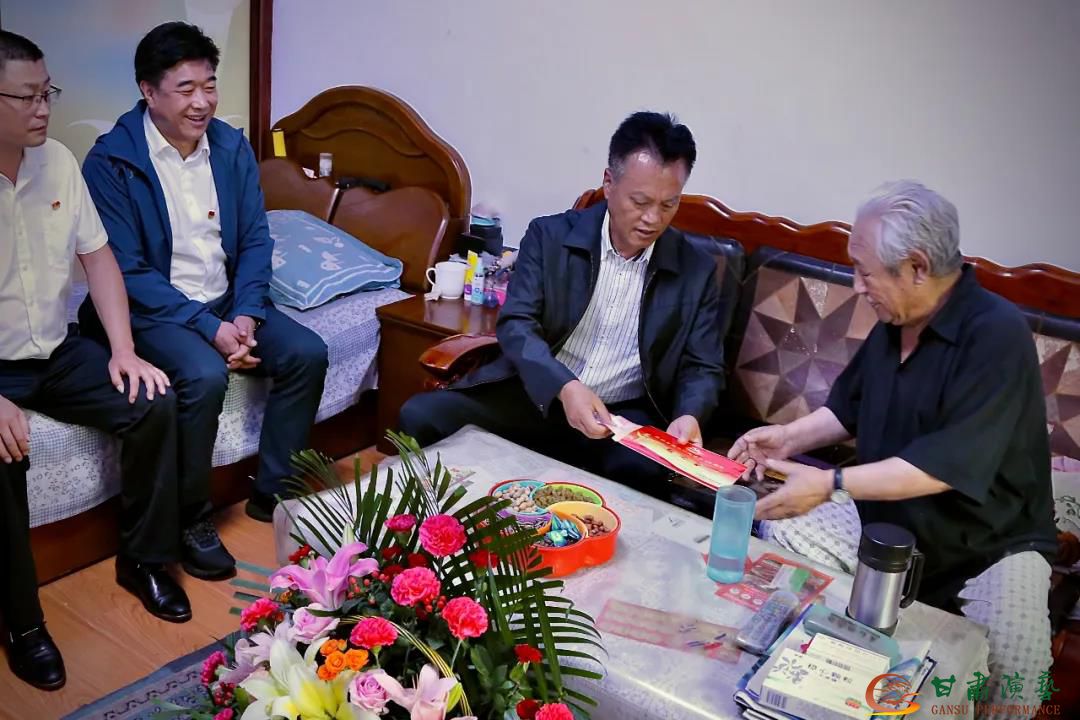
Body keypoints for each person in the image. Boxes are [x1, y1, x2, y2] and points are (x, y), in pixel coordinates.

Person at [728, 181, 1056, 718]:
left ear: (917, 267)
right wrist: (787, 438)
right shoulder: (896, 317)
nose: (857, 286)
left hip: (989, 544)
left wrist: (829, 483)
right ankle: (807, 690)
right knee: (780, 529)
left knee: (1018, 671)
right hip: (888, 522)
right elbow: (849, 409)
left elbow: (942, 466)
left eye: (865, 272)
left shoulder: (996, 335)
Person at [80, 22, 328, 557]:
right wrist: (207, 327)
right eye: (186, 89)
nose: (202, 102)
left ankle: (274, 494)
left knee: (307, 352)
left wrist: (247, 313)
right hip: (151, 308)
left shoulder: (230, 146)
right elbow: (125, 268)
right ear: (149, 92)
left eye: (210, 85)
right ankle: (190, 519)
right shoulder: (111, 162)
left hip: (224, 300)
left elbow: (256, 238)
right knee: (203, 374)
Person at [0, 30, 192, 691]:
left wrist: (124, 350)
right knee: (4, 452)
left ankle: (143, 561)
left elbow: (99, 258)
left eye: (46, 92)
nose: (43, 108)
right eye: (26, 97)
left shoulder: (57, 162)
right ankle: (24, 624)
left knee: (153, 399)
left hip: (54, 352)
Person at [399, 112, 725, 494]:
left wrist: (689, 414)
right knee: (421, 416)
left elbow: (702, 365)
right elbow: (517, 324)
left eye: (669, 205)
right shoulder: (549, 236)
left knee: (644, 473)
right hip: (540, 394)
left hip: (619, 420)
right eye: (640, 201)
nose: (652, 219)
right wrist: (565, 386)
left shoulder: (696, 269)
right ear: (608, 183)